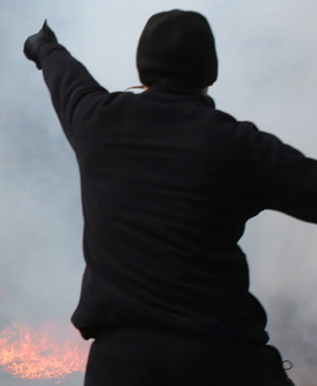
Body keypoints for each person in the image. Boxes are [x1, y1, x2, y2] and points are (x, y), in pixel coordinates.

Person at [23, 10, 302, 386]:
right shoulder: (238, 145)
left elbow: (66, 75)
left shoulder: (98, 121)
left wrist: (43, 46)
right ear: (209, 73)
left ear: (142, 70)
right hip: (222, 360)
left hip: (121, 365)